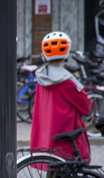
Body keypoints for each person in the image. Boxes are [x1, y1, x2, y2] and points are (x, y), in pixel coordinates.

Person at [30, 32, 91, 160]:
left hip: (48, 131)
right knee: (67, 170)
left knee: (52, 165)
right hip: (66, 132)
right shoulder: (67, 80)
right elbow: (85, 107)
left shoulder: (42, 77)